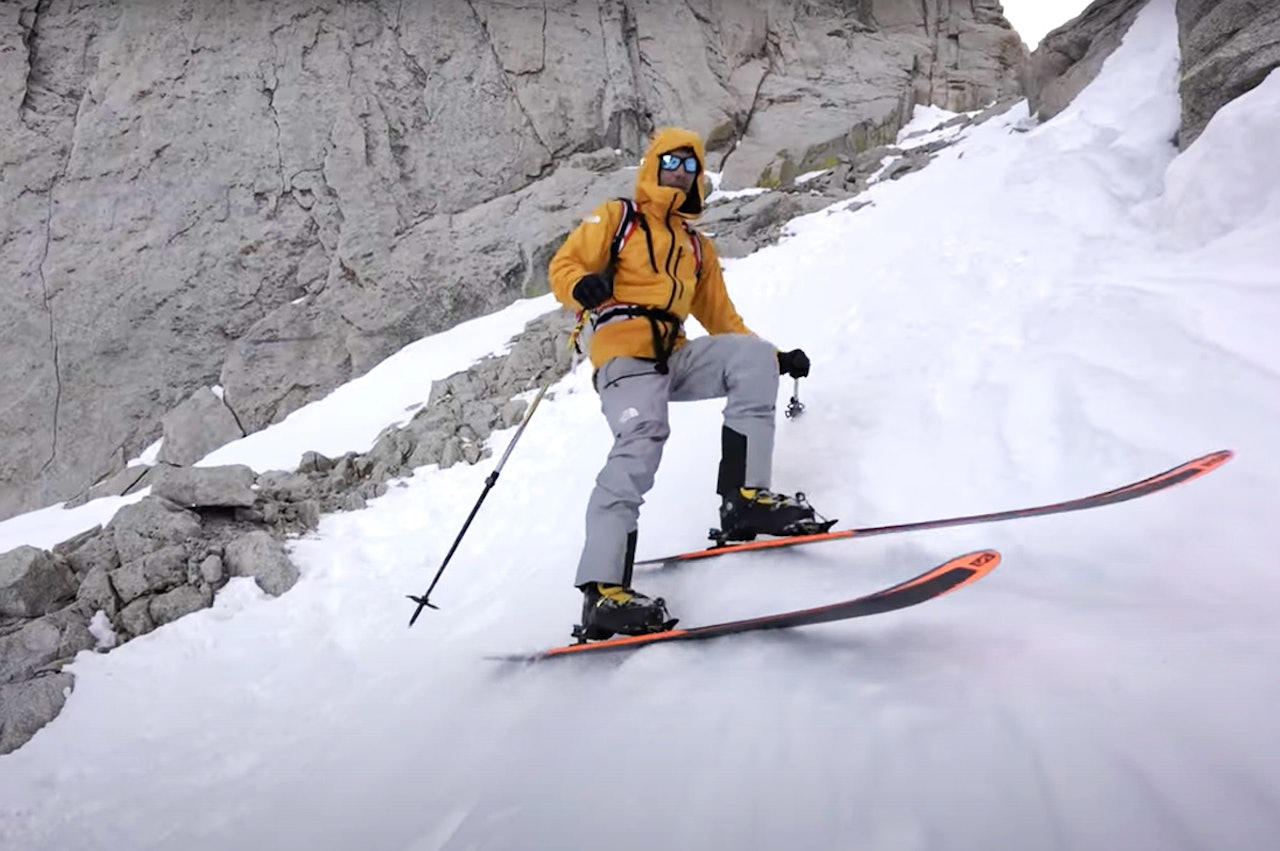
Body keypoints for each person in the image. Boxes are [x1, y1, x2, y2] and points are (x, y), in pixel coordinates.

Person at [548, 126, 821, 641]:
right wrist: (581, 285)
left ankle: (744, 501)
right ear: (653, 165)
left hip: (672, 354)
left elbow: (722, 319)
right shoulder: (618, 218)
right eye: (671, 161)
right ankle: (603, 592)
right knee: (642, 439)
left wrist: (775, 357)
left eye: (690, 165)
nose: (680, 171)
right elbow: (565, 264)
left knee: (750, 357)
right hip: (624, 354)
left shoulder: (697, 247)